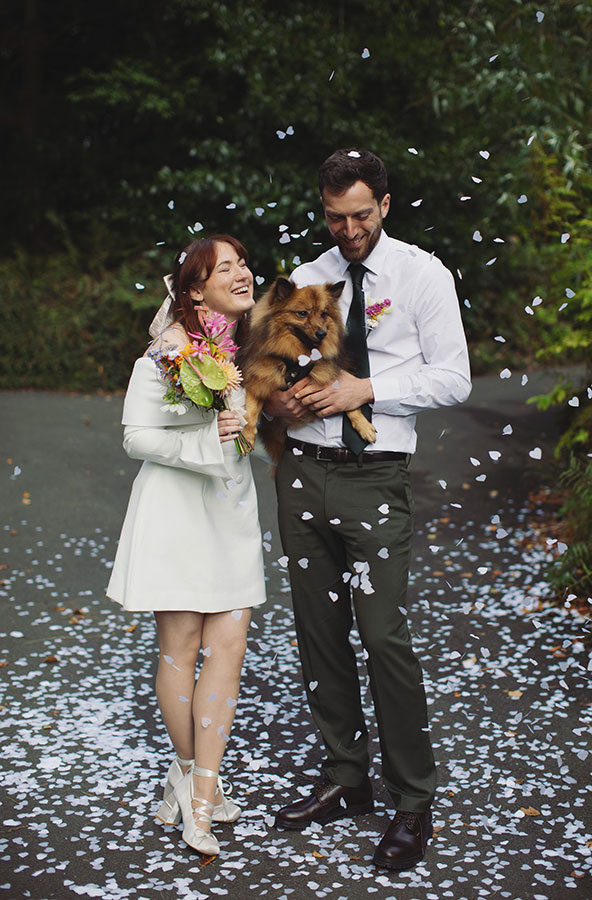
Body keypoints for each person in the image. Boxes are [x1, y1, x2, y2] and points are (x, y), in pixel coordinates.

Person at [268, 149, 471, 870]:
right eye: (335, 217)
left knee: (382, 636)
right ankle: (345, 778)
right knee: (318, 632)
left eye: (360, 214)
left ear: (385, 203)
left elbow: (454, 377)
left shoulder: (424, 275)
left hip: (375, 478)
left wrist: (367, 390)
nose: (348, 229)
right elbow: (278, 365)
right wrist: (282, 399)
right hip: (302, 472)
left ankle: (413, 800)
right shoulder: (309, 277)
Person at [107, 235, 266, 857]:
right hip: (176, 507)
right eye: (225, 267)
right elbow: (135, 437)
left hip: (229, 507)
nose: (242, 272)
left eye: (243, 263)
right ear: (195, 289)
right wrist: (205, 442)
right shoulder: (166, 354)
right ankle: (188, 773)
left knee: (228, 646)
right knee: (180, 648)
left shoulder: (250, 347)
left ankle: (202, 793)